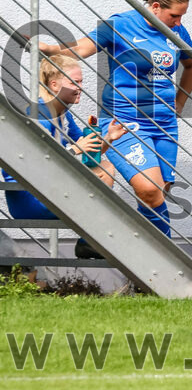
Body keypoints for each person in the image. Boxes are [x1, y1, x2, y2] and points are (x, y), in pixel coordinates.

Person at [40, 0, 192, 237]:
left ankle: (144, 265)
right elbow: (83, 46)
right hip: (124, 121)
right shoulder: (121, 24)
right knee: (149, 188)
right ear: (156, 6)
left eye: (182, 16)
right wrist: (51, 48)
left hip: (164, 125)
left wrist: (180, 102)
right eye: (174, 15)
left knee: (158, 193)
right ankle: (164, 252)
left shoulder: (176, 31)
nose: (179, 23)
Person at [1, 55, 125, 258]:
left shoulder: (62, 115)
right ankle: (91, 240)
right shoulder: (39, 114)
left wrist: (109, 138)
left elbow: (89, 154)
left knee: (103, 167)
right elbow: (33, 163)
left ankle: (91, 240)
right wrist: (76, 149)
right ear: (54, 84)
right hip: (29, 198)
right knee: (103, 173)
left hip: (47, 189)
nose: (80, 87)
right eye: (74, 82)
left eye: (81, 81)